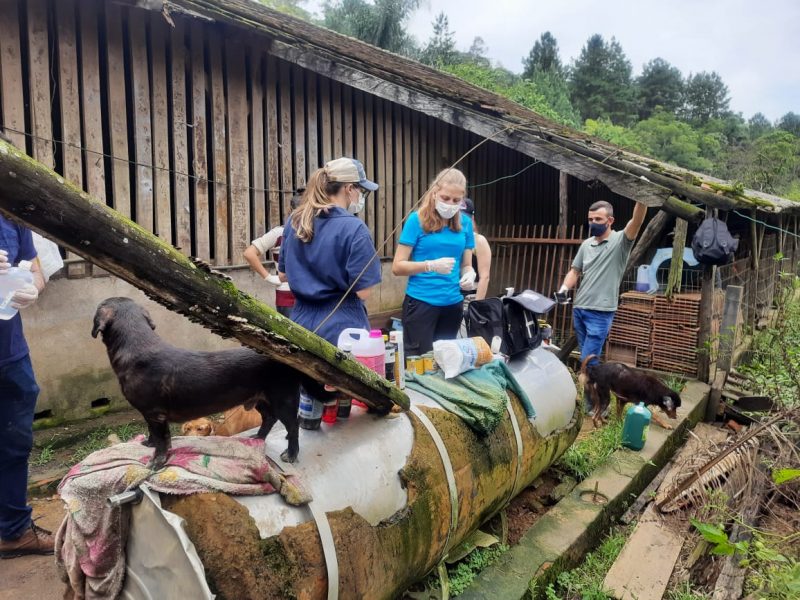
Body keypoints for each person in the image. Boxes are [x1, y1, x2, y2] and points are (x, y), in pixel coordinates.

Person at [555, 199, 647, 412]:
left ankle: (591, 405)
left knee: (587, 362)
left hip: (601, 312)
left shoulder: (620, 241)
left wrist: (643, 197)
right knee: (591, 361)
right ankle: (599, 403)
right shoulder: (586, 245)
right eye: (590, 219)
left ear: (610, 220)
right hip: (580, 309)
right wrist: (563, 289)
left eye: (598, 219)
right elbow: (575, 271)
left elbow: (637, 221)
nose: (593, 223)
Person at [278, 158, 381, 346]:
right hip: (342, 329)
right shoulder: (355, 228)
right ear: (349, 189)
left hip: (300, 324)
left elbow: (282, 275)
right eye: (361, 190)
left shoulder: (295, 220)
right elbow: (363, 291)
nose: (361, 195)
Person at [0, 215, 51, 559]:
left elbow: (36, 270)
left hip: (10, 354)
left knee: (15, 446)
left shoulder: (10, 211)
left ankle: (13, 531)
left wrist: (32, 286)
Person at [392, 168, 476, 355]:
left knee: (445, 360)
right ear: (434, 192)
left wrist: (470, 274)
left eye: (456, 201)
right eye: (445, 198)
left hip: (453, 304)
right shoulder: (417, 221)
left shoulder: (465, 224)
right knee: (418, 360)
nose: (450, 204)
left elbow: (466, 264)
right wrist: (429, 265)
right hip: (422, 302)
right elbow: (397, 267)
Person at [243, 192, 304, 318]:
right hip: (289, 298)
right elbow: (249, 253)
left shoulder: (312, 232)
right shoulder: (279, 233)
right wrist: (269, 277)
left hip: (304, 298)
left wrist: (270, 278)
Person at [459, 198, 492, 301]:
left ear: (472, 218)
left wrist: (476, 304)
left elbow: (484, 277)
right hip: (448, 295)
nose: (461, 221)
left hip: (470, 296)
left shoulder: (479, 240)